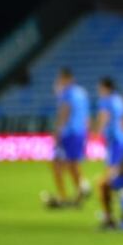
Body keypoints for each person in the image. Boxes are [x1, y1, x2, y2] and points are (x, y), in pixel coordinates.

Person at [42, 67, 90, 208]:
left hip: (69, 133)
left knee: (64, 164)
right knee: (70, 164)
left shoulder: (67, 93)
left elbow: (65, 112)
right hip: (80, 132)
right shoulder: (81, 92)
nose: (59, 82)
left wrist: (57, 131)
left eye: (60, 79)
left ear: (66, 79)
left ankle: (67, 195)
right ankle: (78, 192)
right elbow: (85, 115)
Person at [95, 77, 123, 229]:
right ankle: (114, 211)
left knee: (108, 179)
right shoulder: (119, 99)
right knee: (115, 175)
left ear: (105, 88)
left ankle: (109, 214)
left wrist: (98, 131)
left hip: (115, 142)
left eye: (100, 88)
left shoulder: (106, 100)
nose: (99, 91)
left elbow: (104, 117)